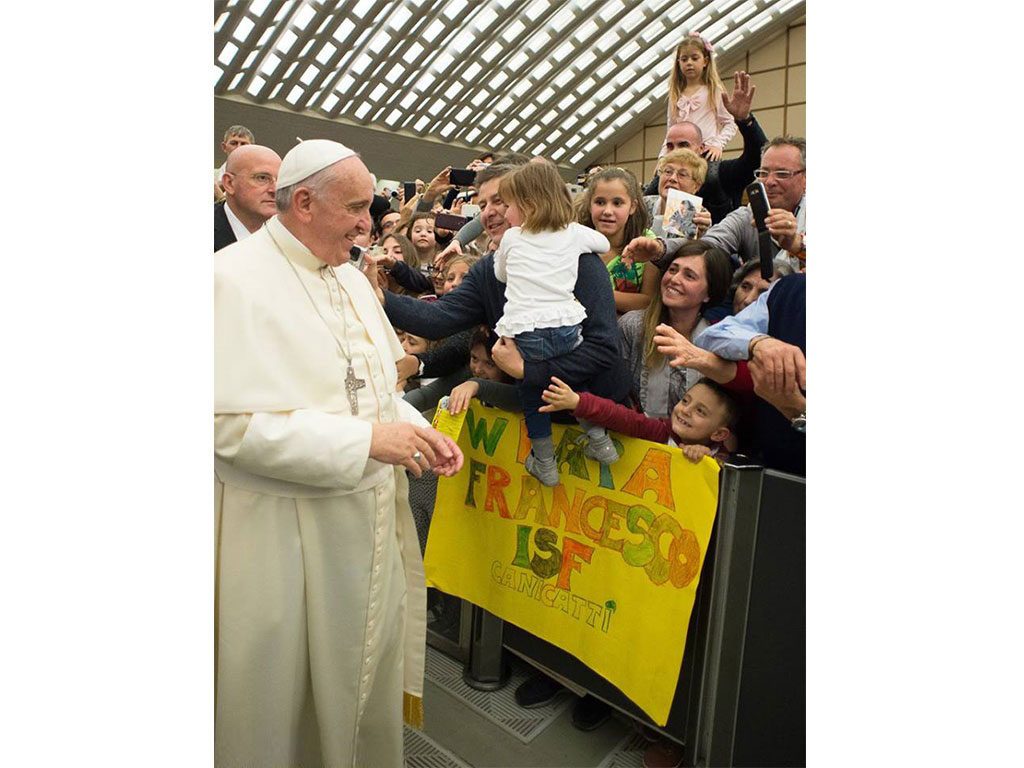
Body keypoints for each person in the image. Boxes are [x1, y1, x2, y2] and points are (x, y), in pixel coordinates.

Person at [214, 138, 464, 767]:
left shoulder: (352, 278)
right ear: (303, 203)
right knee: (283, 700)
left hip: (368, 517)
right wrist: (367, 442)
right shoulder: (227, 280)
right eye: (354, 208)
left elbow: (375, 389)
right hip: (285, 537)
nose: (367, 224)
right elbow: (224, 426)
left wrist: (416, 429)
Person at [376, 160, 631, 464]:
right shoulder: (488, 271)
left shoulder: (579, 258)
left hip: (601, 420)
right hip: (536, 425)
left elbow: (603, 348)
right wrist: (380, 298)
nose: (489, 212)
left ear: (529, 202)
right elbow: (438, 319)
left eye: (500, 200)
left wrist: (528, 371)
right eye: (482, 204)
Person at [493, 162, 620, 485]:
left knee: (533, 392)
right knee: (570, 384)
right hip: (566, 325)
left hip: (526, 330)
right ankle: (601, 442)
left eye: (508, 205)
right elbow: (605, 245)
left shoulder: (512, 237)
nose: (505, 213)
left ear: (528, 205)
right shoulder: (573, 233)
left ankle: (545, 464)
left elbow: (500, 274)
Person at [628, 136, 807, 272]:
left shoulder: (696, 213)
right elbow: (709, 246)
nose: (770, 181)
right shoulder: (745, 216)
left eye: (782, 174)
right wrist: (659, 249)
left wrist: (797, 245)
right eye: (763, 173)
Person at [693, 273, 806, 475]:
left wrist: (798, 410)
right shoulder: (790, 289)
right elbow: (711, 335)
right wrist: (757, 342)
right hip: (768, 468)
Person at [618, 240, 732, 418]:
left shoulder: (717, 343)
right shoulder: (632, 326)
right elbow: (618, 393)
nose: (674, 279)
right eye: (672, 270)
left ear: (709, 294)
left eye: (689, 276)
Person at [644, 71, 765, 223]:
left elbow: (759, 156)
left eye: (683, 145)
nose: (676, 151)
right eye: (670, 146)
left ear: (701, 148)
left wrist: (745, 121)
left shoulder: (720, 174)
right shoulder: (660, 182)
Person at [540, 376, 738, 465]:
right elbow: (621, 417)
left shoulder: (724, 458)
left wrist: (707, 462)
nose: (685, 410)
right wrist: (578, 402)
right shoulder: (659, 431)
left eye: (700, 411)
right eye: (685, 400)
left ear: (719, 434)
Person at [576, 167, 657, 314]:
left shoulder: (647, 243)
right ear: (589, 204)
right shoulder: (576, 241)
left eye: (617, 203)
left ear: (632, 207)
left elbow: (648, 301)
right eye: (600, 202)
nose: (607, 211)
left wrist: (594, 294)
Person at [665, 33, 735, 162]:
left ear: (705, 61)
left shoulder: (713, 90)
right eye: (684, 59)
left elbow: (730, 123)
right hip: (680, 157)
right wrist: (662, 157)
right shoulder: (675, 94)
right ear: (678, 63)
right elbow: (670, 129)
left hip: (706, 155)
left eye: (694, 58)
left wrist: (718, 144)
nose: (689, 63)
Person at [214, 144, 282, 251]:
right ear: (229, 183)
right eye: (262, 178)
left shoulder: (284, 236)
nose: (274, 190)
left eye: (281, 180)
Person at [643, 148, 712, 239]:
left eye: (682, 174)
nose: (672, 178)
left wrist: (701, 236)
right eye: (668, 171)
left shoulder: (700, 215)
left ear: (696, 186)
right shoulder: (642, 204)